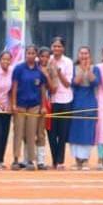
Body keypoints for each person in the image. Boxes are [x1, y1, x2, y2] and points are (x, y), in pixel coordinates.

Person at [9, 44, 46, 170]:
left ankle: (30, 160)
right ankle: (16, 159)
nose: (30, 55)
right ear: (25, 54)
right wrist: (13, 104)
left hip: (34, 106)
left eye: (33, 53)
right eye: (28, 53)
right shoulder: (19, 69)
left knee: (31, 133)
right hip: (20, 105)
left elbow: (42, 90)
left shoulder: (39, 71)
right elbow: (14, 87)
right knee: (18, 132)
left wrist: (43, 106)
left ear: (36, 55)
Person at [67, 47, 101, 169]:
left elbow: (95, 83)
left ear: (89, 55)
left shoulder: (95, 68)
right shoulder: (73, 68)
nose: (84, 55)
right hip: (76, 102)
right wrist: (82, 70)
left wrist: (88, 69)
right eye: (81, 53)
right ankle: (77, 160)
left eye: (86, 53)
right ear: (78, 55)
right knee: (75, 131)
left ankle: (85, 159)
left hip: (90, 101)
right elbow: (75, 83)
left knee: (87, 131)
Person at [45, 37, 74, 169]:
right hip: (51, 100)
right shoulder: (48, 59)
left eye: (59, 46)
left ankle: (60, 161)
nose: (56, 48)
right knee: (51, 132)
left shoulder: (68, 62)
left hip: (65, 100)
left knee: (62, 132)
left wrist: (58, 72)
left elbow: (67, 84)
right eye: (54, 46)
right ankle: (54, 160)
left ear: (63, 48)